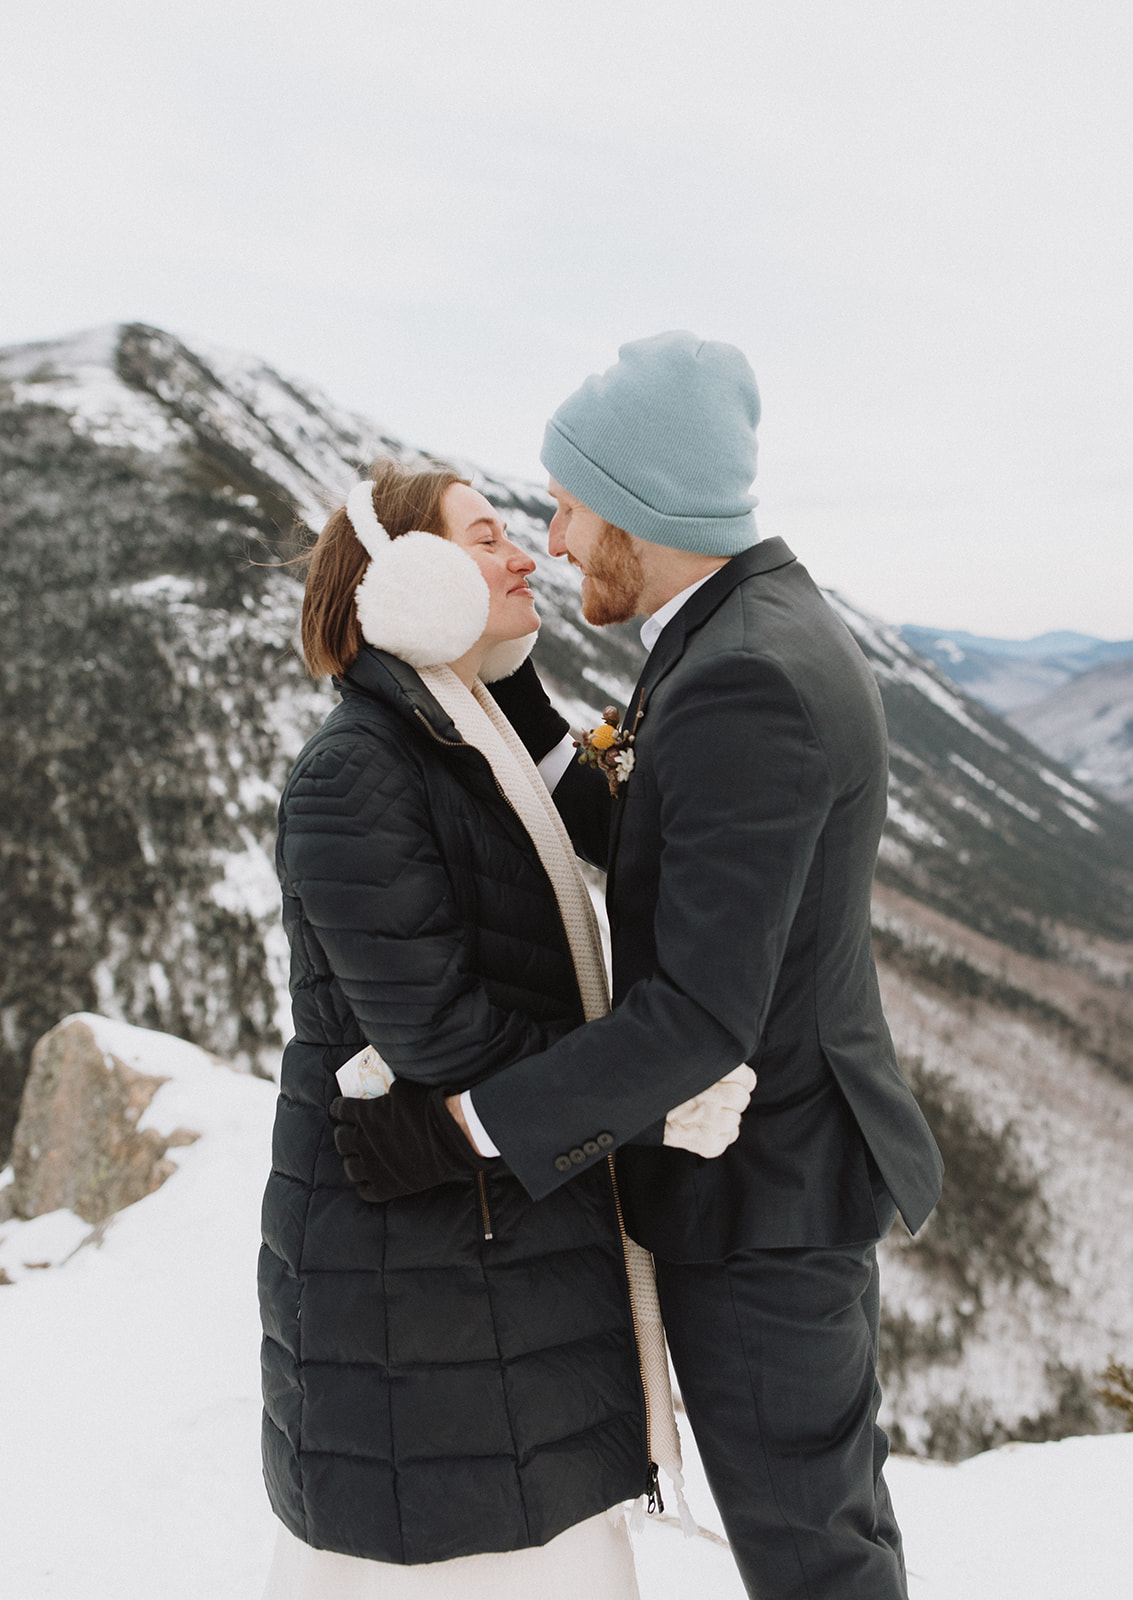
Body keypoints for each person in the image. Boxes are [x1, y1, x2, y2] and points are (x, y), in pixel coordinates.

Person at [337, 333, 946, 1600]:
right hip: (790, 1173)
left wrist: (464, 1127)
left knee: (810, 1557)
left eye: (562, 509)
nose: (551, 543)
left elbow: (699, 1016)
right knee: (831, 1529)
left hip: (762, 1192)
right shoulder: (749, 632)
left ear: (638, 504)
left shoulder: (744, 680)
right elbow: (674, 835)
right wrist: (522, 715)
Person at [257, 456, 751, 1599]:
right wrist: (654, 1091)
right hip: (422, 1311)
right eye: (486, 538)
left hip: (479, 1285)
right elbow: (446, 1043)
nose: (527, 551)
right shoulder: (354, 777)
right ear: (411, 579)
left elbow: (616, 831)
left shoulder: (461, 749)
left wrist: (510, 679)